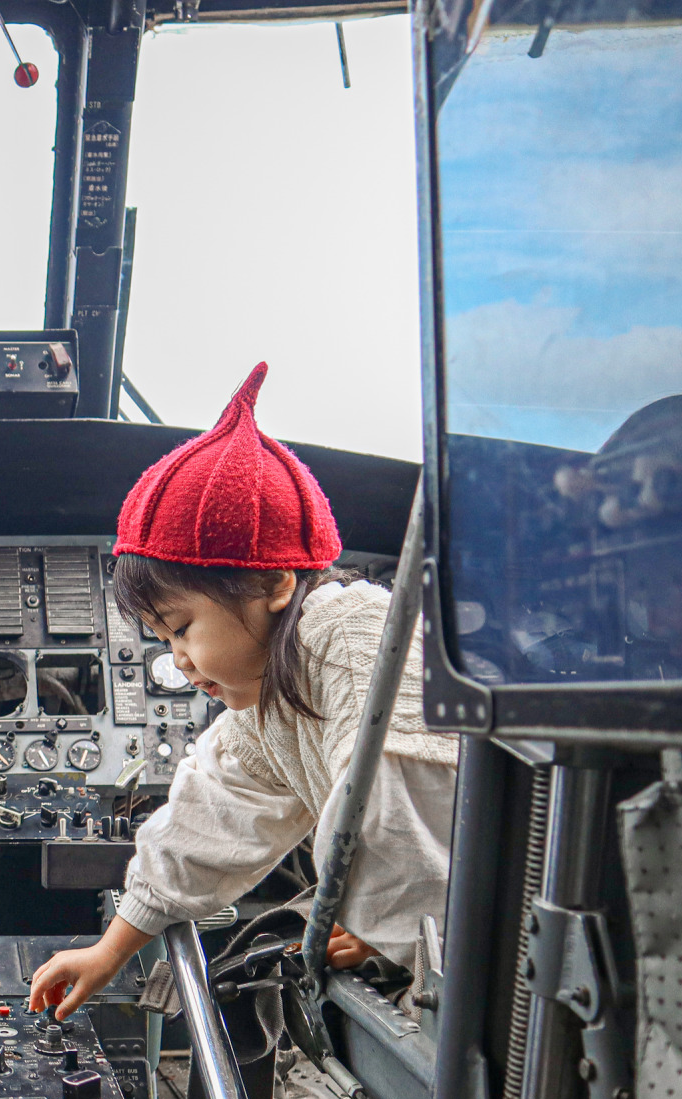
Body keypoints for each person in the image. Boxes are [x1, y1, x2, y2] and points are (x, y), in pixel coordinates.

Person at [27, 363, 458, 1020]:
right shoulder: (273, 700)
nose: (178, 658)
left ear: (274, 585)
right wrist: (111, 948)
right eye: (162, 639)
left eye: (182, 628)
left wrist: (377, 921)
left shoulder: (353, 638)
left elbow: (408, 828)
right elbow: (205, 821)